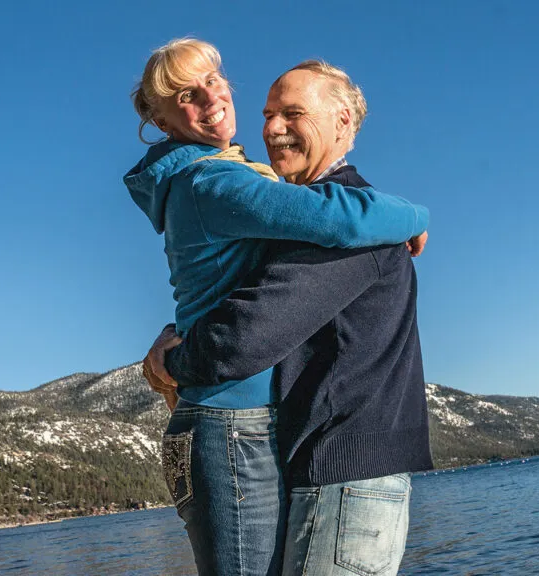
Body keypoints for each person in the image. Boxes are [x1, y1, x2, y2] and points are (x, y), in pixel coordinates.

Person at [125, 40, 429, 576]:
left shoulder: (348, 222)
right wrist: (416, 214)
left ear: (341, 121)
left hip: (330, 469)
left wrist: (173, 362)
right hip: (238, 429)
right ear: (161, 119)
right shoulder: (214, 180)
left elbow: (247, 333)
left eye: (293, 113)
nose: (273, 127)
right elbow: (250, 323)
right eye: (270, 114)